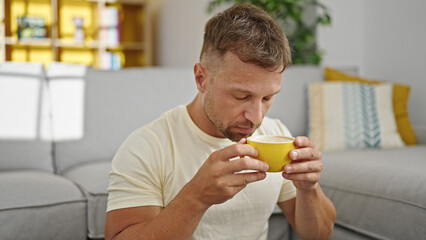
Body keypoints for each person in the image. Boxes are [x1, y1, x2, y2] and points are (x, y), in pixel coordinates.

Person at [105, 3, 336, 240]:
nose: (257, 117)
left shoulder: (276, 134)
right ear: (201, 78)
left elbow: (319, 236)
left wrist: (308, 189)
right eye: (241, 96)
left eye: (267, 98)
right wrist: (195, 198)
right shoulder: (147, 147)